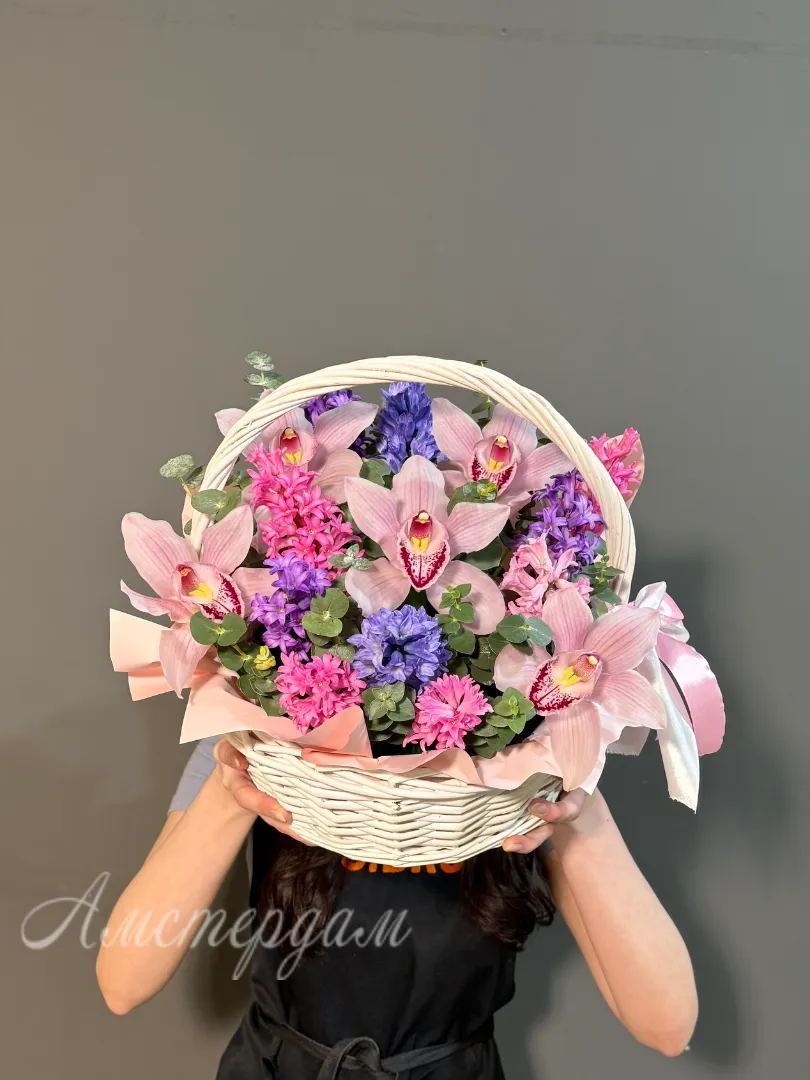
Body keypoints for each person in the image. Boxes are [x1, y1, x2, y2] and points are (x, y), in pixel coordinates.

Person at [96, 736, 698, 1078]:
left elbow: (667, 1024)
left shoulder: (532, 754)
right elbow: (124, 981)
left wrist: (577, 797)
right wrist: (234, 781)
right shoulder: (255, 739)